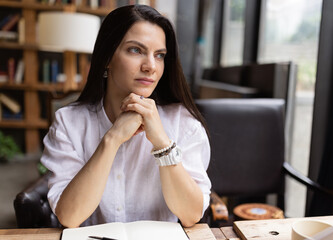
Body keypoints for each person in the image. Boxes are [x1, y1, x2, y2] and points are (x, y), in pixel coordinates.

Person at [40, 4, 211, 228]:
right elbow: (70, 217)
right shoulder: (69, 122)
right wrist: (112, 139)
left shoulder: (184, 123)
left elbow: (191, 215)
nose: (151, 66)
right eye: (136, 50)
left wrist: (162, 143)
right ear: (108, 57)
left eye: (159, 55)